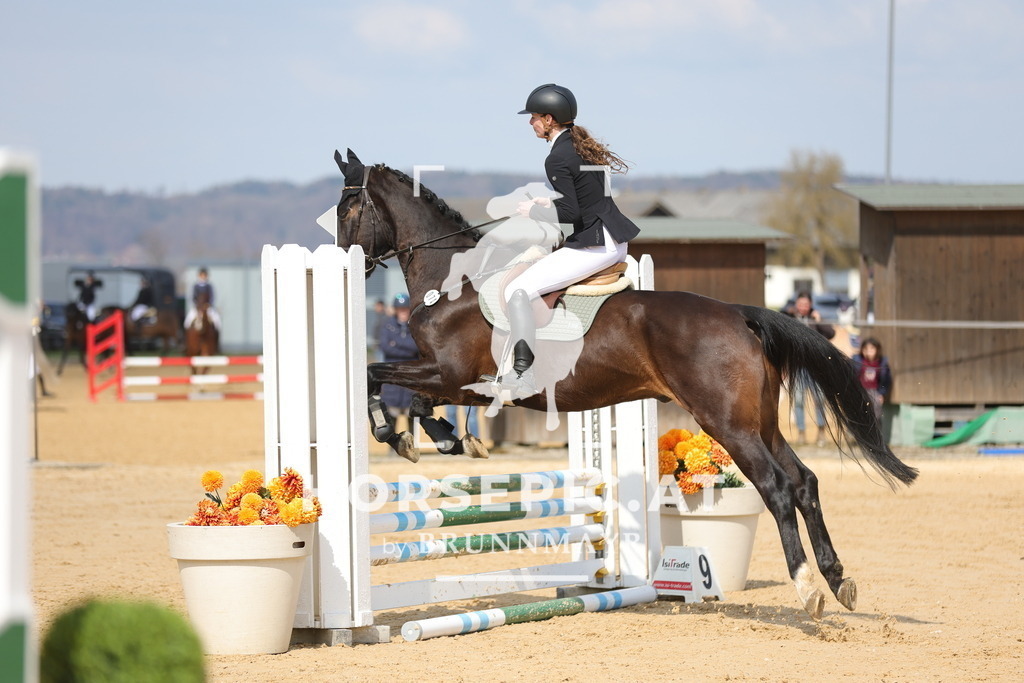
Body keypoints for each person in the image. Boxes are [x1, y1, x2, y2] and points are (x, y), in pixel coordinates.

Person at [500, 83, 641, 393]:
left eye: (534, 116)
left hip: (595, 244)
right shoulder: (580, 146)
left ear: (550, 119)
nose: (530, 122)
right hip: (612, 238)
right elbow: (588, 199)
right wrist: (547, 203)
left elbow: (571, 211)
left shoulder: (557, 158)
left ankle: (522, 374)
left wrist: (532, 211)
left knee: (517, 289)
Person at [782, 291, 835, 446]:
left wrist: (819, 321)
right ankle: (801, 433)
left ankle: (821, 432)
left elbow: (831, 333)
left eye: (806, 304)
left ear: (810, 305)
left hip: (816, 366)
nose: (803, 307)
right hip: (797, 367)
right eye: (800, 304)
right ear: (796, 304)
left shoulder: (815, 318)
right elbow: (778, 315)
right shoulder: (790, 317)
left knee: (819, 399)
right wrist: (788, 311)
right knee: (798, 401)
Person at [379, 293, 419, 420]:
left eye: (405, 309)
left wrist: (395, 343)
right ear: (395, 310)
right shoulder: (387, 325)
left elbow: (416, 347)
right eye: (400, 309)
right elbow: (385, 347)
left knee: (411, 419)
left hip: (410, 379)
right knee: (391, 418)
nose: (403, 312)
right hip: (392, 380)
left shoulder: (415, 326)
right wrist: (408, 349)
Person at [852, 337, 892, 421]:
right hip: (860, 391)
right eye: (866, 349)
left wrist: (881, 393)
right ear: (862, 350)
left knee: (875, 416)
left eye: (872, 349)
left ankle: (874, 431)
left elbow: (886, 380)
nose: (868, 352)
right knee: (859, 414)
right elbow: (851, 376)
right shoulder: (858, 362)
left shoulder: (881, 363)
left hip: (874, 393)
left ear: (877, 350)